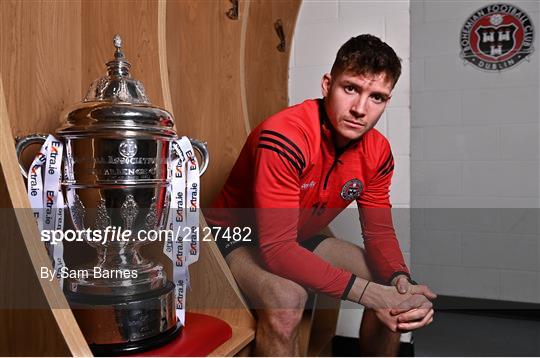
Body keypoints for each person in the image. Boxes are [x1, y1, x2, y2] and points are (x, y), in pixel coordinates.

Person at [206, 34, 436, 356]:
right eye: (351, 88)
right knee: (287, 300)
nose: (360, 109)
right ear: (328, 85)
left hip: (296, 235)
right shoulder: (285, 136)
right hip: (232, 238)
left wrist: (400, 280)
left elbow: (379, 231)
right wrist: (368, 295)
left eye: (377, 98)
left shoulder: (378, 151)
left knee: (390, 286)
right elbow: (277, 249)